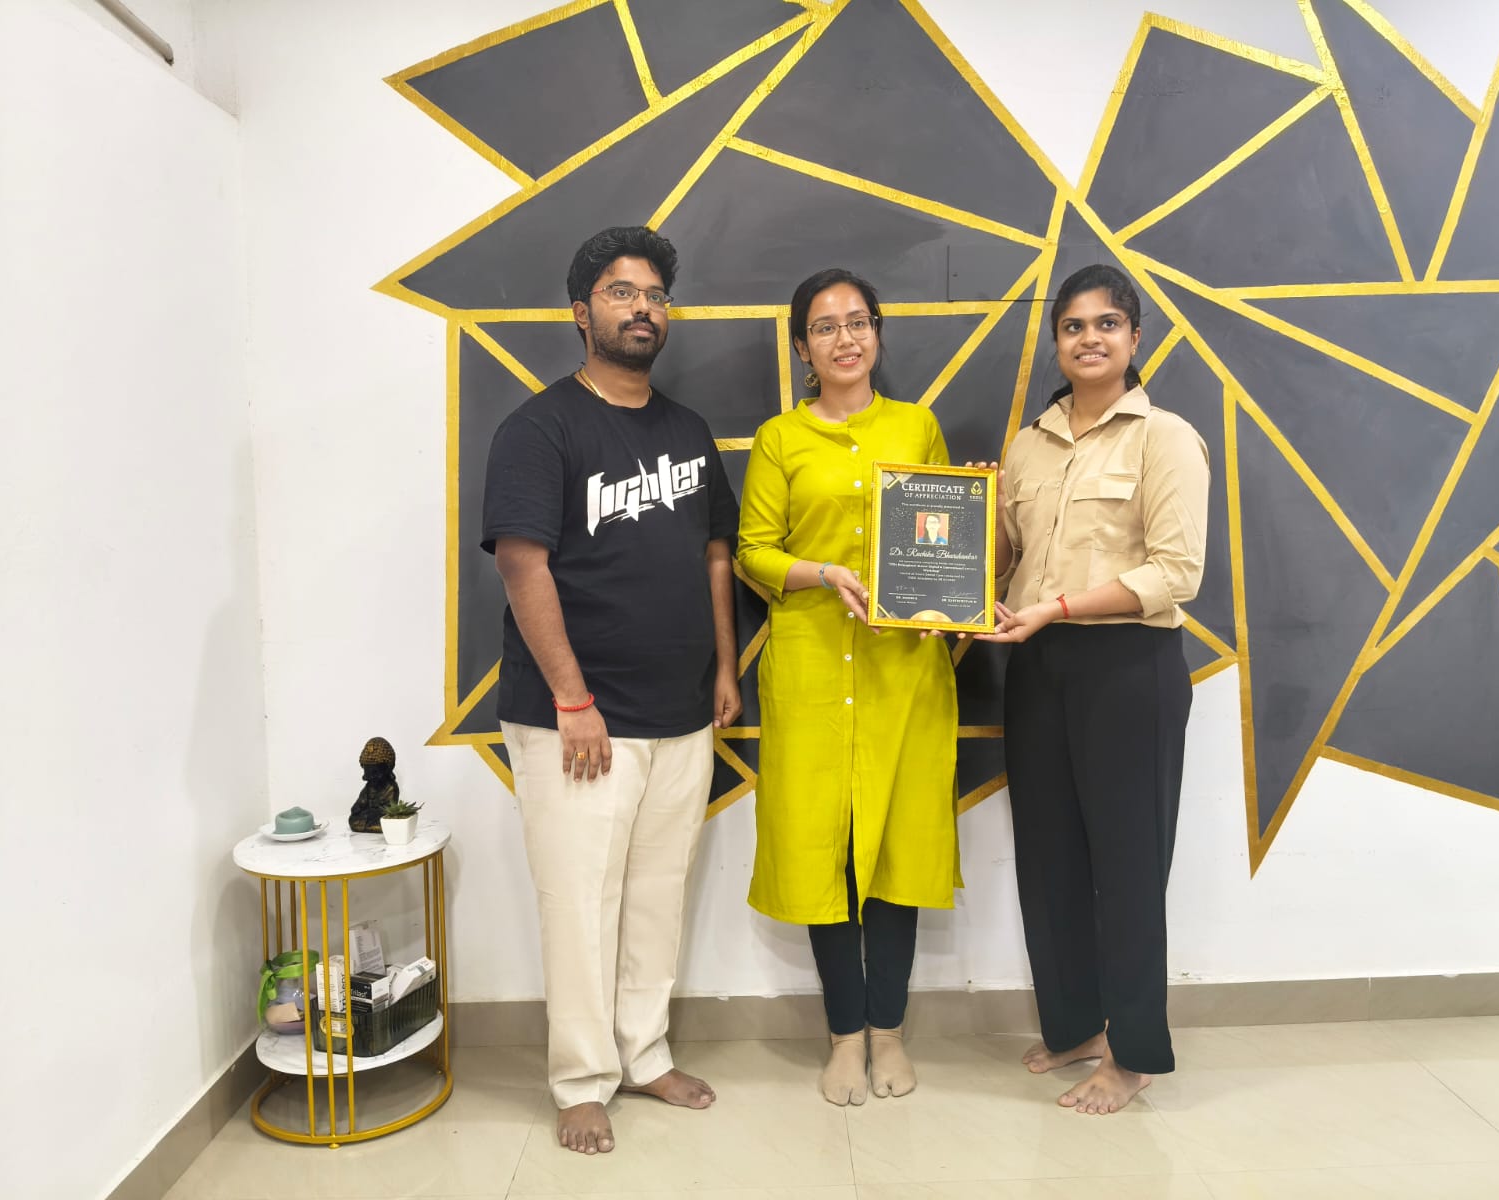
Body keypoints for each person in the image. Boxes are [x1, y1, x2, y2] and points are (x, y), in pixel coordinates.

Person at [482, 226, 742, 1154]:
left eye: (655, 296)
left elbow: (716, 555)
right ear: (580, 311)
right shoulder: (540, 427)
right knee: (580, 902)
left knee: (656, 895)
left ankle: (644, 1052)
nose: (642, 309)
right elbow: (522, 565)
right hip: (578, 720)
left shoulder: (687, 431)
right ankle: (582, 1079)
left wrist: (724, 666)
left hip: (681, 713)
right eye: (622, 293)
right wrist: (573, 699)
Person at [978, 263, 1208, 1115]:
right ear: (1056, 342)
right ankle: (1075, 1026)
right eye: (1073, 326)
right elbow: (1006, 560)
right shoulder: (1028, 444)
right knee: (1050, 861)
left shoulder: (1165, 438)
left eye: (1106, 324)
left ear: (1134, 337)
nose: (1089, 339)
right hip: (1039, 667)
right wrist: (974, 518)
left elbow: (1176, 574)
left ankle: (1134, 1053)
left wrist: (1060, 607)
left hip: (1128, 669)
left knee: (1129, 866)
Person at [738, 268, 959, 1106]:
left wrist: (952, 587)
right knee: (822, 847)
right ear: (803, 347)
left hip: (904, 670)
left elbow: (946, 541)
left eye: (857, 321)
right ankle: (843, 1037)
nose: (844, 338)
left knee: (898, 847)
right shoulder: (780, 439)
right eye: (825, 327)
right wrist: (824, 573)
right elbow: (755, 551)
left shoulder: (917, 425)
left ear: (877, 332)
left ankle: (889, 1032)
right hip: (810, 666)